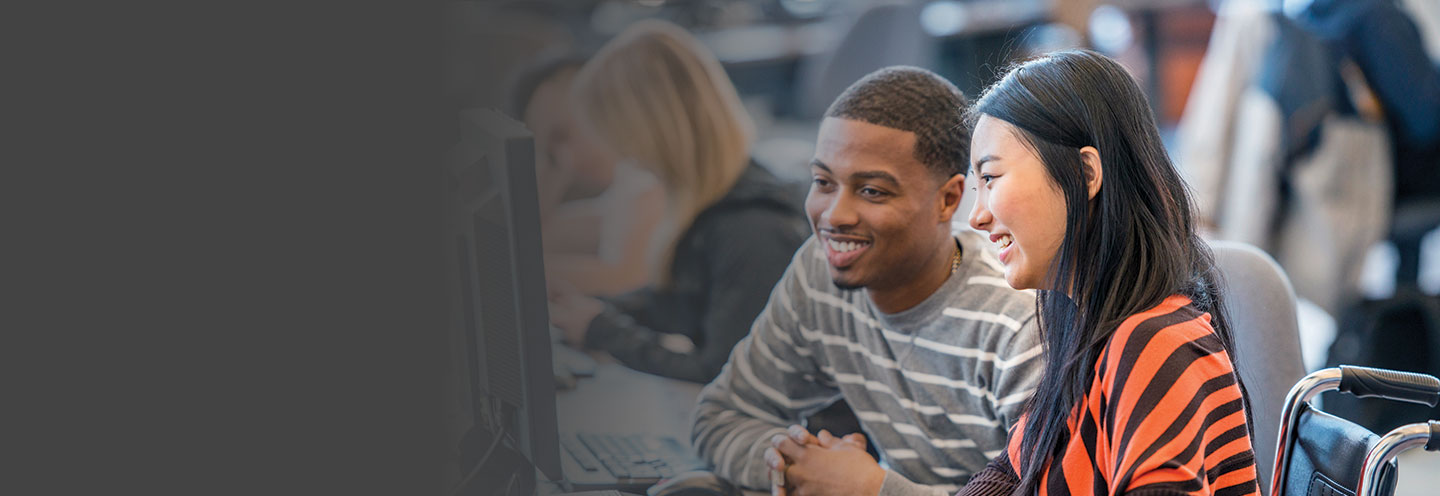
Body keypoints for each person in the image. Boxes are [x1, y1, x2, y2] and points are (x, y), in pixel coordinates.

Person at [692, 66, 1044, 496]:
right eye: (823, 182)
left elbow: (1044, 490)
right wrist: (796, 467)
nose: (835, 215)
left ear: (948, 199)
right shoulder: (819, 274)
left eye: (872, 191)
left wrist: (872, 489)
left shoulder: (1018, 325)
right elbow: (720, 416)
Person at [957, 49, 1259, 496]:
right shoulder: (1086, 332)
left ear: (1084, 173)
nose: (976, 216)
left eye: (991, 178)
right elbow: (1011, 472)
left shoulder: (1155, 343)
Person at [546, 20, 809, 384]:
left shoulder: (750, 228)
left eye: (623, 141)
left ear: (649, 134)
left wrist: (602, 332)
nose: (626, 158)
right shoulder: (712, 202)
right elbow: (680, 304)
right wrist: (597, 310)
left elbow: (722, 371)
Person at [510, 55, 665, 297]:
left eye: (562, 134)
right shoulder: (625, 182)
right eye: (553, 152)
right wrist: (547, 161)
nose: (567, 160)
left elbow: (628, 279)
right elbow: (542, 235)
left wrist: (507, 275)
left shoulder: (646, 173)